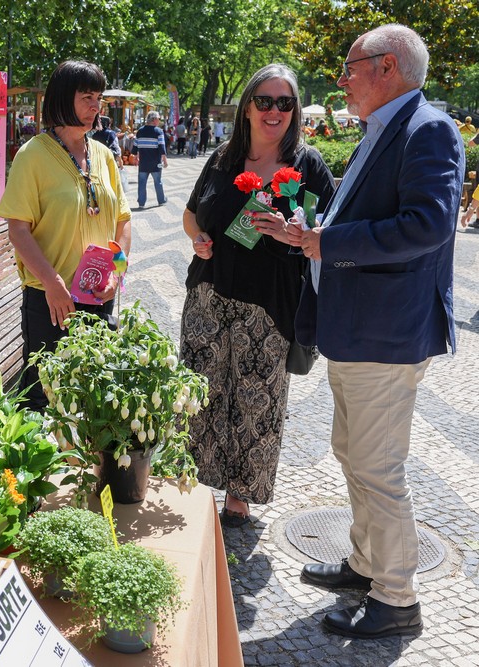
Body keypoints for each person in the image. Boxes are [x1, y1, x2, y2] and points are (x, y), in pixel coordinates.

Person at [287, 24, 463, 640]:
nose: (341, 81)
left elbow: (428, 224)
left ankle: (396, 597)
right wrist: (311, 231)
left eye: (348, 68)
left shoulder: (428, 129)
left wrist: (327, 241)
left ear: (386, 68)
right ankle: (367, 564)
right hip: (361, 328)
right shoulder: (385, 129)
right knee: (355, 455)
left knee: (378, 467)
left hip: (387, 334)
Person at [179, 63, 336, 528]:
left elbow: (329, 230)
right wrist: (197, 239)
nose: (274, 111)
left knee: (256, 403)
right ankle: (194, 480)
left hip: (268, 306)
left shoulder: (307, 166)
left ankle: (239, 498)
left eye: (284, 102)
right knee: (201, 395)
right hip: (209, 293)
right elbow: (191, 215)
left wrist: (298, 235)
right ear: (247, 106)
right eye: (264, 101)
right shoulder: (222, 159)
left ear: (294, 110)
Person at [0, 60, 131, 410]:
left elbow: (122, 220)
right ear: (61, 98)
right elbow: (18, 229)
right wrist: (53, 283)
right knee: (45, 392)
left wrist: (117, 273)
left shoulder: (102, 154)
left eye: (98, 97)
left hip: (99, 293)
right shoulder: (33, 154)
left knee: (94, 389)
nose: (95, 106)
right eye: (86, 96)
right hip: (51, 298)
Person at [132, 110, 168, 208]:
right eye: (158, 119)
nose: (159, 121)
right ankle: (161, 200)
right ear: (154, 119)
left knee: (142, 183)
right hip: (156, 162)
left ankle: (141, 203)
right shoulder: (158, 131)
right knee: (158, 181)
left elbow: (135, 146)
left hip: (143, 162)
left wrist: (135, 157)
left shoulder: (140, 131)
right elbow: (161, 147)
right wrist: (164, 160)